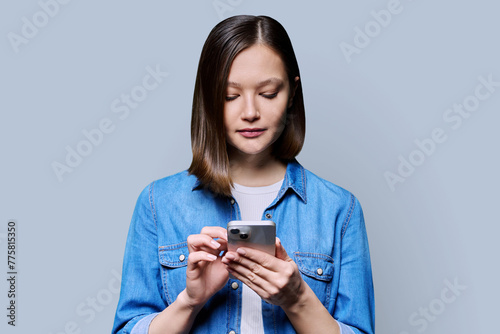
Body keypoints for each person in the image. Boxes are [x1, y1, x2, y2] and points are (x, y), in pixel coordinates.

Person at [112, 15, 374, 334]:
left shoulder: (339, 211)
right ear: (209, 98)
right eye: (230, 96)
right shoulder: (158, 203)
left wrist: (298, 299)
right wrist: (190, 301)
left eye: (267, 93)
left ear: (291, 93)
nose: (250, 112)